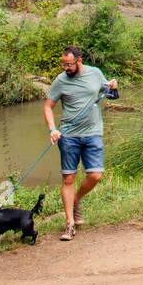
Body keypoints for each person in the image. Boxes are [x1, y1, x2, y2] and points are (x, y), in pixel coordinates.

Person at [43, 45, 118, 241]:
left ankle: (75, 200)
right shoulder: (60, 81)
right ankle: (69, 224)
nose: (66, 68)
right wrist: (53, 129)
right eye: (63, 64)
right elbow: (48, 107)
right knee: (69, 178)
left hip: (93, 133)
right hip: (68, 136)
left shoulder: (95, 74)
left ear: (79, 60)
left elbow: (109, 93)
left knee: (95, 175)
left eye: (69, 64)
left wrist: (113, 87)